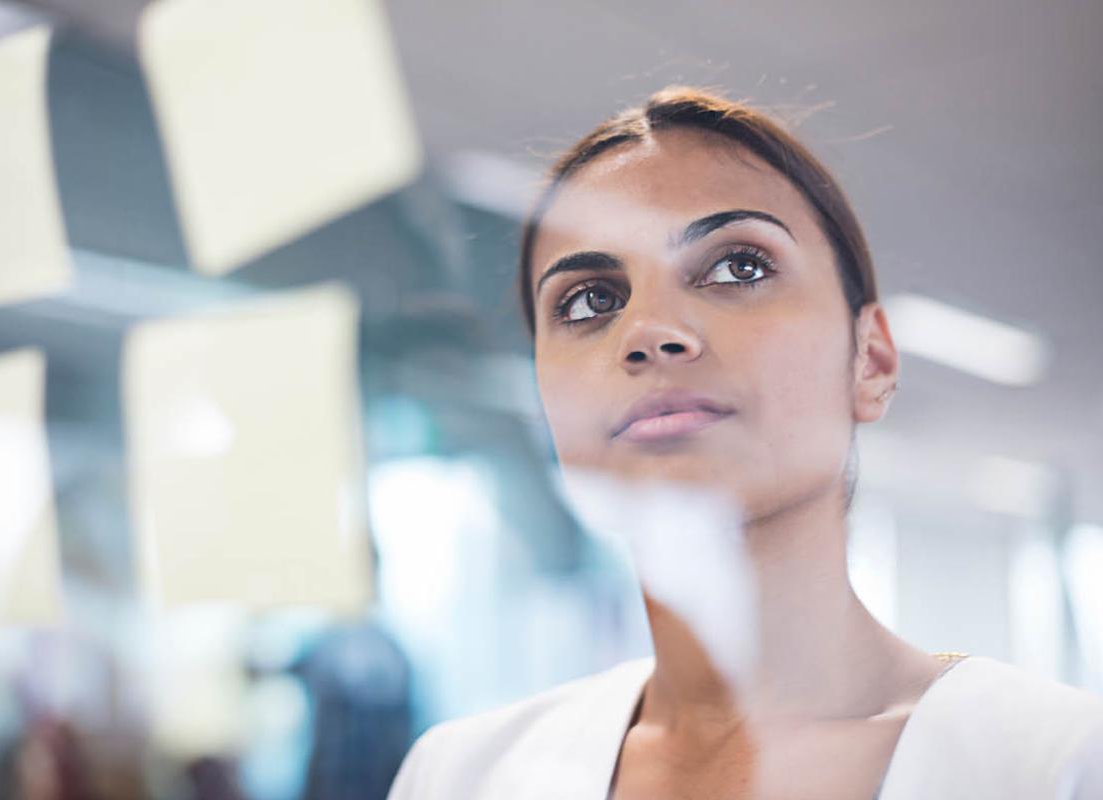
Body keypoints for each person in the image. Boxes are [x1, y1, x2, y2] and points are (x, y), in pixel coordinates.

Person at [385, 86, 1103, 799]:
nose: (648, 331)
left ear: (871, 362)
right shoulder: (460, 775)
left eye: (739, 267)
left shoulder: (1057, 763)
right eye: (590, 301)